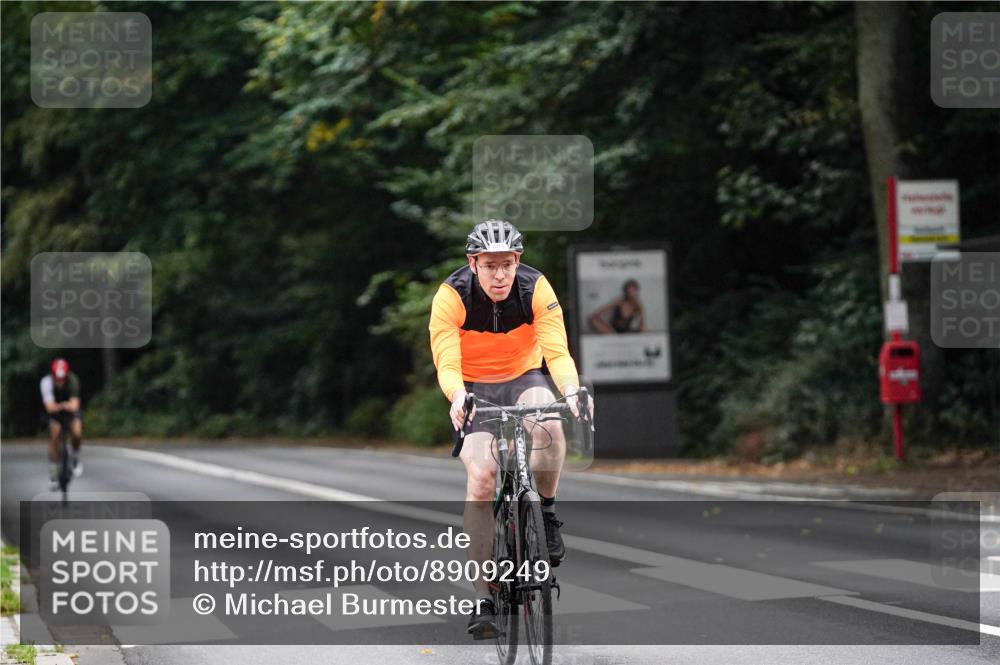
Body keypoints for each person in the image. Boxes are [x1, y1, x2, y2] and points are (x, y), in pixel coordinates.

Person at [428, 219, 593, 639]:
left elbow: (557, 351)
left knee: (550, 426)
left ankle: (547, 513)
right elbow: (446, 360)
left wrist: (571, 390)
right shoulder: (452, 296)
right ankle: (483, 597)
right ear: (473, 264)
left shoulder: (536, 288)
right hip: (473, 387)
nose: (500, 275)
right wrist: (457, 396)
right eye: (490, 266)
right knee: (482, 479)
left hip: (523, 377)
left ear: (518, 261)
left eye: (507, 264)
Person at [40, 358, 84, 488]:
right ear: (52, 375)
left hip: (69, 411)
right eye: (57, 379)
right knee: (55, 433)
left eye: (62, 379)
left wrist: (64, 406)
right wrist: (63, 405)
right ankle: (54, 470)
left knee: (77, 432)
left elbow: (75, 405)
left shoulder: (73, 380)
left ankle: (75, 457)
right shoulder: (46, 382)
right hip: (55, 413)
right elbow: (49, 407)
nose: (60, 382)